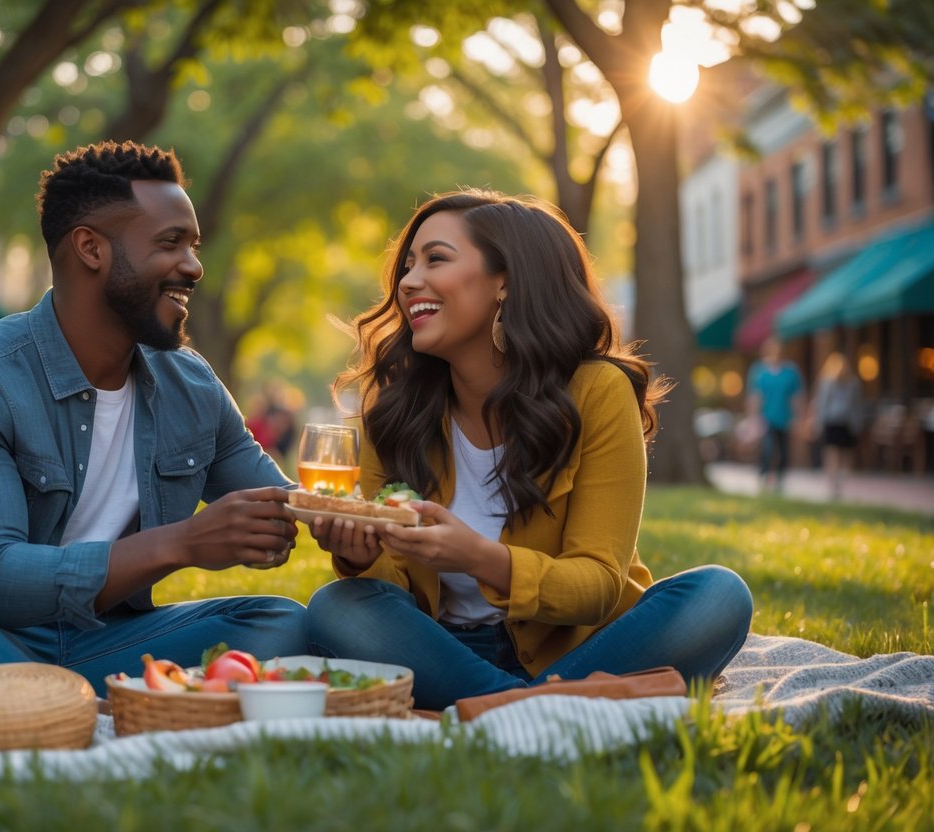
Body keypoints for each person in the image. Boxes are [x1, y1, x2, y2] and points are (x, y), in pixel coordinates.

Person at [0, 141, 306, 718]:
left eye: (194, 245)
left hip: (110, 643)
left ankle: (40, 711)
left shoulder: (192, 384)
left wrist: (349, 527)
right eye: (170, 243)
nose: (194, 265)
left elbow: (281, 501)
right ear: (91, 249)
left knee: (279, 620)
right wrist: (180, 543)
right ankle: (76, 708)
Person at [302, 189, 752, 711]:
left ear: (505, 283)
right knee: (337, 607)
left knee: (720, 596)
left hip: (584, 648)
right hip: (442, 650)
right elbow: (394, 594)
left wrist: (477, 556)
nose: (407, 282)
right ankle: (546, 707)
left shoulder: (596, 391)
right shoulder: (395, 402)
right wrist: (359, 558)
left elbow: (599, 583)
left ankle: (496, 708)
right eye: (407, 266)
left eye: (436, 259)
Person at [746, 336, 804, 493]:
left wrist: (798, 418)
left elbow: (796, 397)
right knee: (768, 448)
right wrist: (753, 418)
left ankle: (780, 479)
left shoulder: (791, 372)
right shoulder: (759, 371)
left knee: (784, 450)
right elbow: (755, 396)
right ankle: (764, 476)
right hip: (766, 418)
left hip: (785, 417)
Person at [811, 351, 863, 499]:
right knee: (833, 452)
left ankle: (840, 479)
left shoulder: (853, 383)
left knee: (843, 453)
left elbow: (856, 404)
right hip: (832, 422)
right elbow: (822, 404)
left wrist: (857, 423)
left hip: (845, 422)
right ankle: (834, 480)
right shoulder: (827, 382)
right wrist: (819, 422)